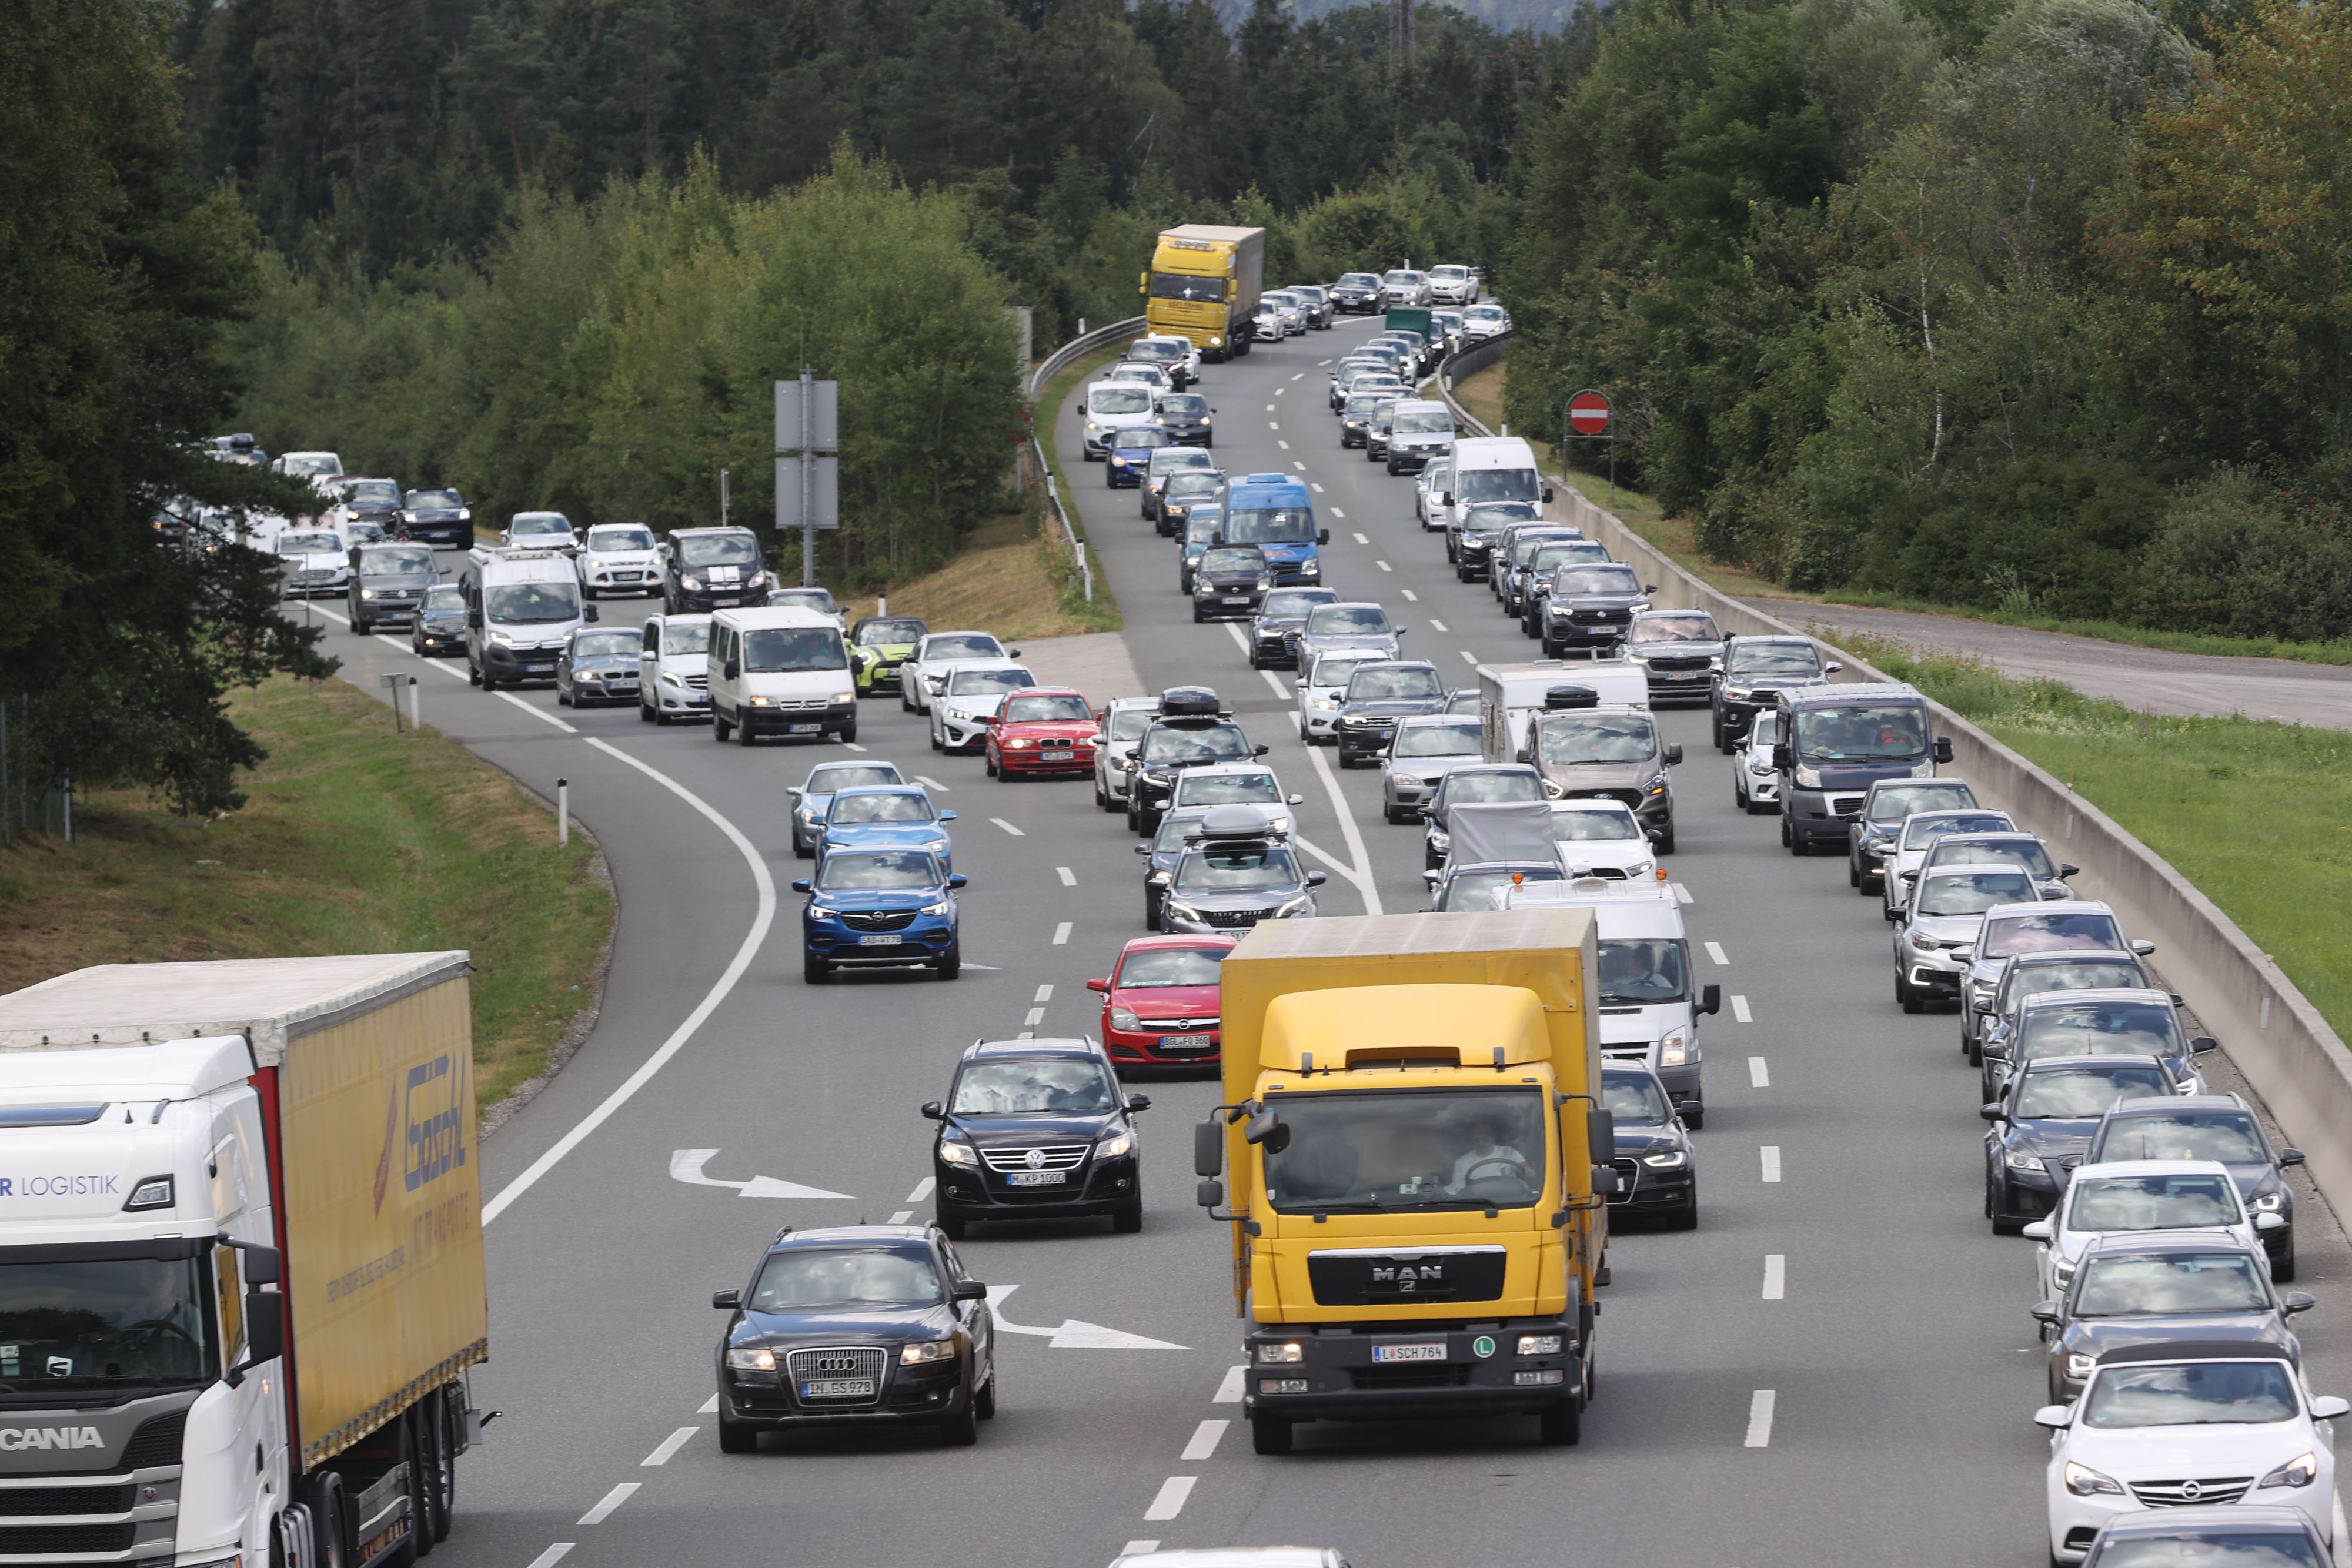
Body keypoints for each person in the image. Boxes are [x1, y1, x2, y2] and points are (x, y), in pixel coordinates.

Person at [1450, 1117, 1532, 1191]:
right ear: (1471, 1140)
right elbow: (1458, 1189)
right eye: (1477, 1140)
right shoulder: (1462, 1163)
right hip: (1478, 1204)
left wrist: (1528, 1170)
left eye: (1485, 1139)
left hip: (1511, 1203)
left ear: (1493, 1136)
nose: (1481, 1144)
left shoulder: (1508, 1152)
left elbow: (1525, 1167)